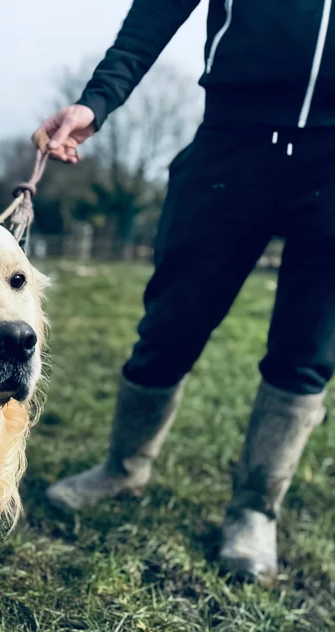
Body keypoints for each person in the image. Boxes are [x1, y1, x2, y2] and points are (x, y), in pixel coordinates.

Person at [33, 0, 334, 583]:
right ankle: (123, 467)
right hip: (233, 143)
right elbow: (154, 13)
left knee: (309, 346)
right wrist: (96, 102)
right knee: (171, 325)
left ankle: (254, 509)